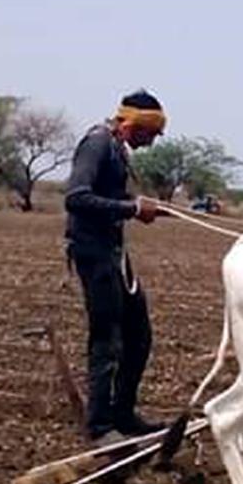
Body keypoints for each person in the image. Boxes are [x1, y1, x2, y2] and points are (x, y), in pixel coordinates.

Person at [63, 89, 166, 444]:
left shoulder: (116, 149)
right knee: (106, 340)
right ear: (132, 124)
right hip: (94, 253)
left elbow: (110, 197)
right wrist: (133, 209)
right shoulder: (96, 144)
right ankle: (100, 427)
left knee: (139, 336)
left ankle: (124, 414)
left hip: (114, 252)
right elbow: (77, 197)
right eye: (148, 135)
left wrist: (140, 205)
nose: (151, 143)